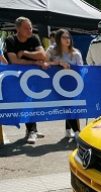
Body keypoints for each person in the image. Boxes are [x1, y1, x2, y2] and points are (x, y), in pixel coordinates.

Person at [4, 16, 49, 144]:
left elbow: (43, 55)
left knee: (33, 104)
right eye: (26, 28)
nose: (30, 30)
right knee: (25, 104)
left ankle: (32, 130)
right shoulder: (10, 40)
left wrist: (24, 52)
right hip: (16, 80)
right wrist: (35, 62)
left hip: (34, 79)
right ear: (18, 29)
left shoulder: (34, 38)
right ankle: (31, 130)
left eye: (30, 27)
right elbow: (14, 61)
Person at [46, 29, 83, 140]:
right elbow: (44, 62)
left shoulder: (76, 53)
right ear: (58, 39)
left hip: (73, 84)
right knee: (67, 106)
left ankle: (68, 131)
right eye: (64, 37)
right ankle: (77, 132)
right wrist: (57, 63)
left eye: (68, 37)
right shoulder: (52, 50)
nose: (67, 40)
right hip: (57, 84)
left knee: (71, 107)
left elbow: (81, 69)